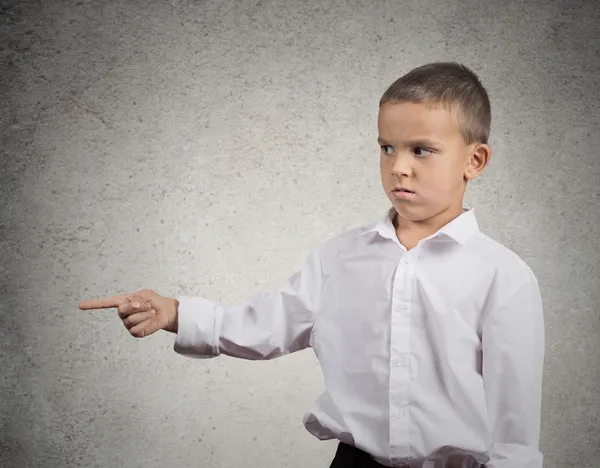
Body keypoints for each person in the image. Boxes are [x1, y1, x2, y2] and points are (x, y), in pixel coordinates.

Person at [79, 62, 545, 468]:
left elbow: (514, 426)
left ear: (475, 160)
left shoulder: (504, 278)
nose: (399, 167)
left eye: (421, 150)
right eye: (387, 148)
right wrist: (176, 313)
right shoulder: (339, 258)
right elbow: (266, 325)